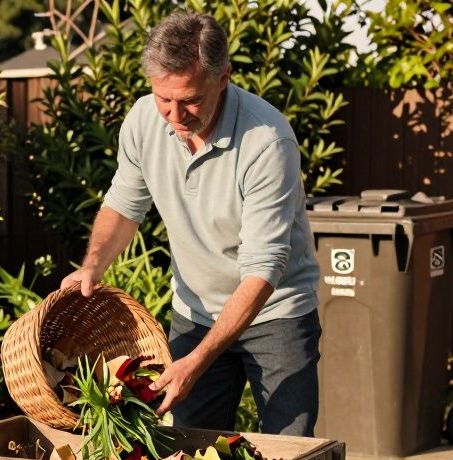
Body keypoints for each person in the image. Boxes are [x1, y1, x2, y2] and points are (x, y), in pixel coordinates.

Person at [59, 11, 322, 437]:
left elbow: (262, 269)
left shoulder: (267, 141)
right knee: (189, 450)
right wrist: (93, 265)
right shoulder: (144, 119)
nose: (175, 115)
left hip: (276, 315)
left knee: (289, 454)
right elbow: (124, 204)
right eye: (164, 98)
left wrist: (197, 362)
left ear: (223, 78)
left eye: (190, 100)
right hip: (195, 311)